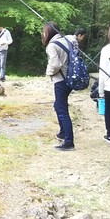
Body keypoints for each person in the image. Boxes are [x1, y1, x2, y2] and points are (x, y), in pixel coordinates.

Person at [43, 22, 77, 151]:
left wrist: (48, 72)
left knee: (62, 110)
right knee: (58, 105)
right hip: (69, 79)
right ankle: (63, 133)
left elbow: (55, 64)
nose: (43, 34)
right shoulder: (67, 40)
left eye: (44, 31)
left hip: (60, 81)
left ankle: (69, 142)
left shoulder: (52, 45)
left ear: (48, 33)